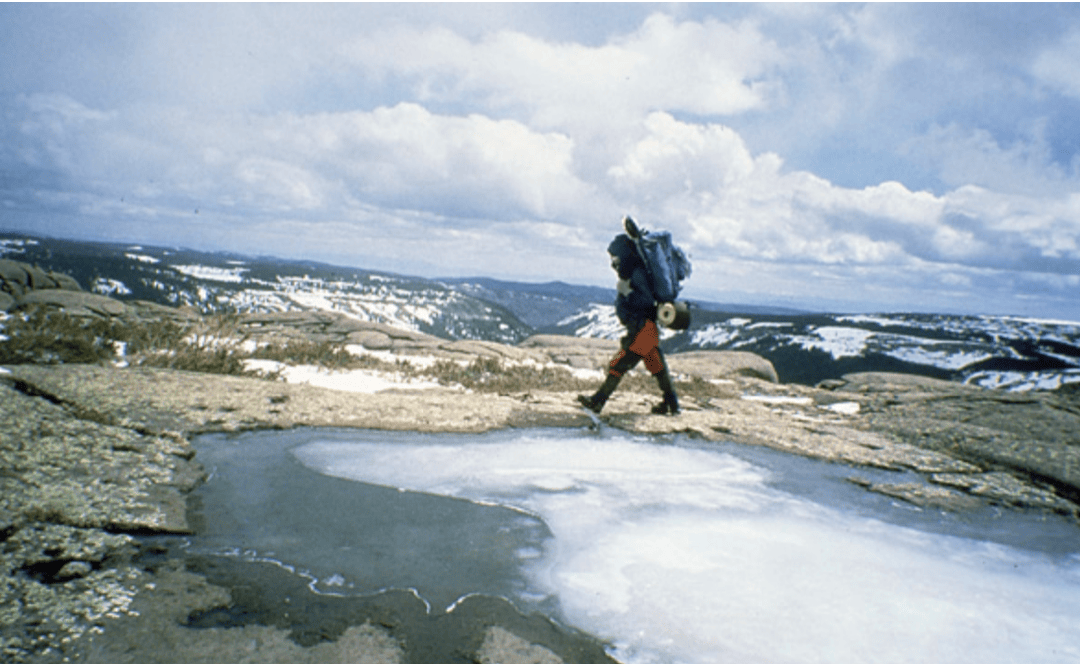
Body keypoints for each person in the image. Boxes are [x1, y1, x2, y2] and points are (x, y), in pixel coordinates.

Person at [577, 231, 680, 416]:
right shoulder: (634, 271)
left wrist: (627, 293)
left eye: (615, 257)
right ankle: (672, 404)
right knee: (658, 367)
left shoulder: (636, 274)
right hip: (646, 330)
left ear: (623, 254)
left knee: (619, 365)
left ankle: (597, 402)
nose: (613, 262)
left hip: (642, 330)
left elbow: (645, 301)